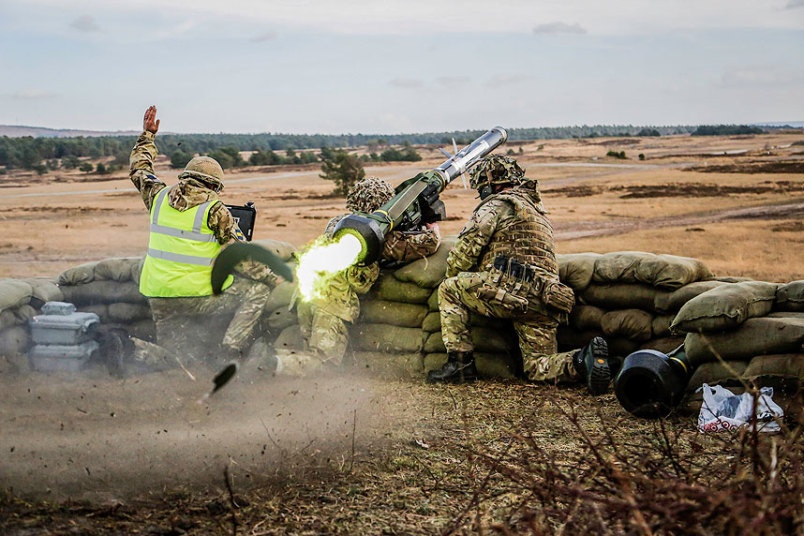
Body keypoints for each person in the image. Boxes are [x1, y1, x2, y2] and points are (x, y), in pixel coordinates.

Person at [427, 155, 613, 395]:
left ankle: (460, 366)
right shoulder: (539, 213)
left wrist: (454, 273)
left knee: (449, 289)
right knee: (537, 365)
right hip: (546, 298)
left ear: (491, 184)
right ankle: (582, 361)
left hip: (509, 289)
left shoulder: (497, 205)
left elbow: (466, 250)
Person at [129, 105, 278, 367]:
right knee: (257, 290)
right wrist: (274, 279)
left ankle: (131, 349)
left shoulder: (158, 196)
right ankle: (230, 349)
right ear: (212, 185)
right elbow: (242, 258)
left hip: (158, 295)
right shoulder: (215, 209)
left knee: (175, 359)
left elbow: (139, 169)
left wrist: (148, 136)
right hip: (197, 297)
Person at [284, 177, 441, 376]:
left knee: (308, 352)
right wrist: (433, 230)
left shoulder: (339, 223)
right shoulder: (372, 234)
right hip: (332, 303)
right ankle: (274, 363)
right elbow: (423, 245)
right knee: (323, 363)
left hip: (307, 295)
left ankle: (278, 366)